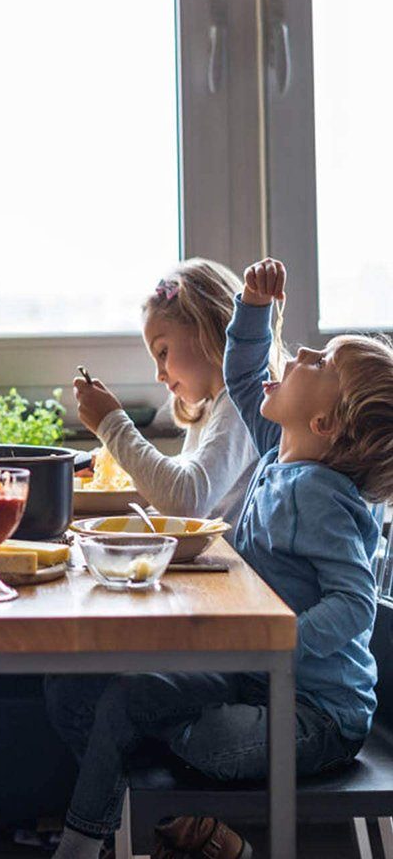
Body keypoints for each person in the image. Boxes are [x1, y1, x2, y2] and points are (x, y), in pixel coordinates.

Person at [46, 255, 393, 859]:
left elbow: (355, 604)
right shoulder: (280, 453)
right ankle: (81, 843)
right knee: (129, 697)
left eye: (318, 362)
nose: (300, 354)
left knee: (196, 736)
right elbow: (245, 371)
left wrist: (278, 639)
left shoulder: (323, 496)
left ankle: (176, 824)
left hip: (317, 713)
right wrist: (254, 310)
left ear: (324, 421)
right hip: (259, 679)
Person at [73, 258, 273, 528]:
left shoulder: (241, 407)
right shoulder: (210, 407)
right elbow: (186, 474)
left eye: (163, 352)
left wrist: (112, 426)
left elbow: (187, 500)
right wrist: (120, 465)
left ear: (204, 329)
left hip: (240, 568)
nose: (159, 375)